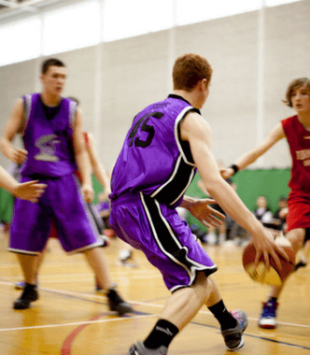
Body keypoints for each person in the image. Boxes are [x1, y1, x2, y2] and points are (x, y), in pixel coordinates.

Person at [108, 53, 287, 354]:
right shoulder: (192, 120)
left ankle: (229, 323)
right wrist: (256, 229)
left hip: (124, 209)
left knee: (198, 266)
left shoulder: (147, 112)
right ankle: (151, 347)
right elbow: (215, 182)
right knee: (195, 283)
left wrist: (188, 202)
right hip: (147, 208)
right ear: (203, 84)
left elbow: (138, 173)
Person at [0, 58, 132, 315]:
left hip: (63, 182)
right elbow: (4, 138)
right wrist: (9, 150)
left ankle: (111, 292)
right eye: (55, 76)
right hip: (32, 181)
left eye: (63, 76)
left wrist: (85, 182)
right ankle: (30, 285)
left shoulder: (73, 110)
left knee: (88, 238)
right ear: (43, 78)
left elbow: (81, 152)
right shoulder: (25, 105)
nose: (60, 81)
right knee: (25, 240)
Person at [221, 77, 310, 329]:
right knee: (292, 241)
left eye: (303, 93)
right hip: (302, 195)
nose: (297, 98)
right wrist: (234, 167)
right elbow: (259, 149)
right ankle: (271, 303)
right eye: (294, 93)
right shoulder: (287, 126)